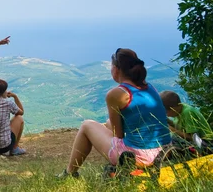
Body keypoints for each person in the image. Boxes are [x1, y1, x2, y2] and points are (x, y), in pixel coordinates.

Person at [58, 48, 171, 178]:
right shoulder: (149, 87)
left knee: (87, 125)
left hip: (140, 157)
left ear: (116, 69)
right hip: (163, 151)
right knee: (107, 123)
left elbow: (119, 135)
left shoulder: (117, 94)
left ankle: (69, 173)